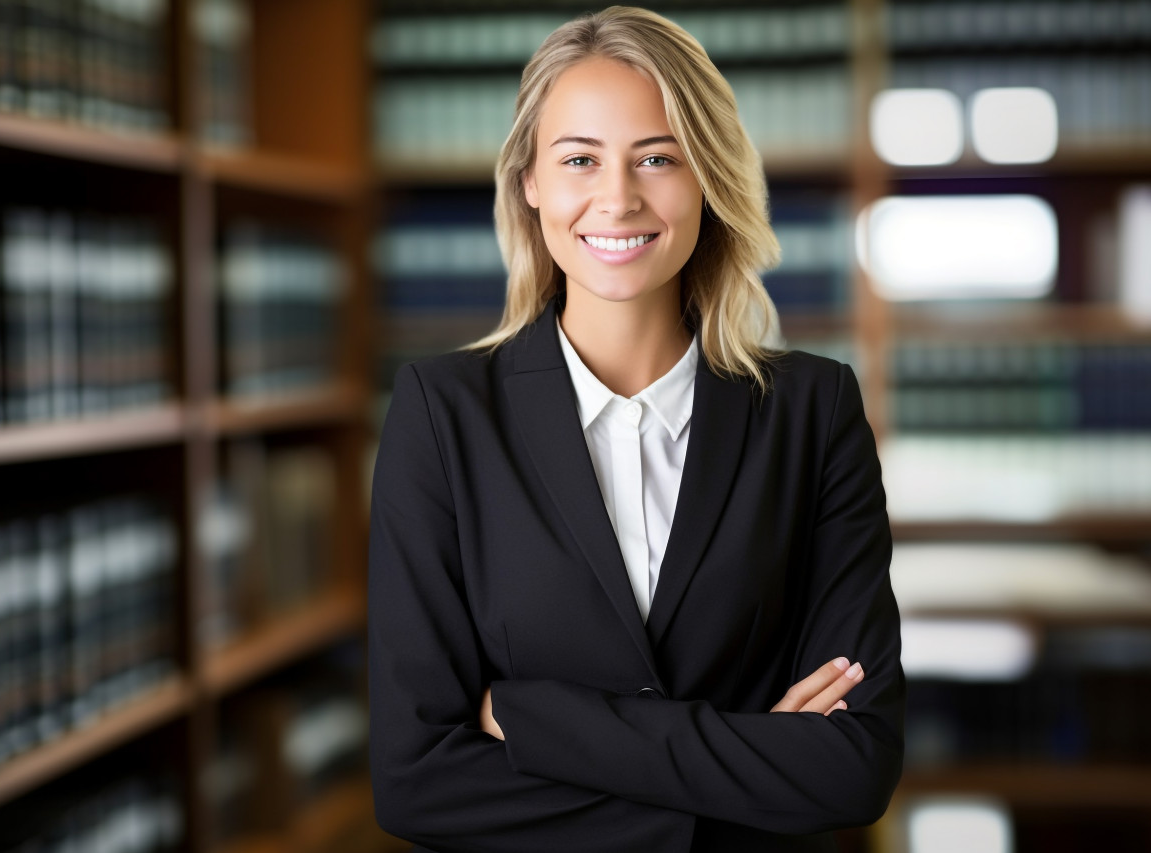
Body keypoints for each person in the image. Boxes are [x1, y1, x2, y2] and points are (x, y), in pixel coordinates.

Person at [367, 7, 904, 852]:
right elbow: (415, 780)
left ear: (707, 178)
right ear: (531, 183)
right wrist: (747, 774)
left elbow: (853, 762)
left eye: (657, 157)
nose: (617, 198)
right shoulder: (442, 414)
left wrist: (529, 717)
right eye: (579, 159)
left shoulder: (814, 412)